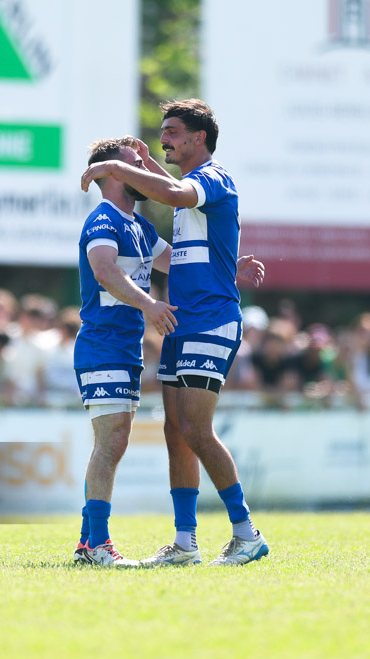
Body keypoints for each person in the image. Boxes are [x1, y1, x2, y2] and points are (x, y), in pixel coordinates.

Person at [81, 99, 268, 567]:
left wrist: (114, 165)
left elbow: (178, 195)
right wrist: (229, 262)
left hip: (209, 318)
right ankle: (186, 543)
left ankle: (246, 533)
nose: (162, 139)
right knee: (175, 431)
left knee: (196, 429)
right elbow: (181, 250)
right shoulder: (153, 209)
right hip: (183, 324)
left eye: (171, 131)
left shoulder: (210, 178)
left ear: (198, 137)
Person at [72, 136, 173, 567]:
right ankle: (97, 546)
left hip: (123, 349)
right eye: (135, 164)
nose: (144, 171)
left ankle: (87, 543)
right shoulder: (103, 221)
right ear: (114, 174)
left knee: (113, 442)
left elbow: (180, 260)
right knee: (111, 443)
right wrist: (149, 304)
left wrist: (230, 263)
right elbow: (104, 270)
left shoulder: (140, 225)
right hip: (103, 346)